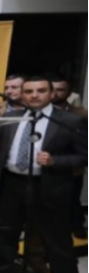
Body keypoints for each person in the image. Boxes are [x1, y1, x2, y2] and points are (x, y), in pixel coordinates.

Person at [0, 76, 87, 273]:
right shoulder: (11, 118)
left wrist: (55, 160)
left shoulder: (71, 120)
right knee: (5, 235)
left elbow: (83, 156)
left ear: (51, 93)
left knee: (57, 242)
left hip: (50, 186)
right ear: (22, 94)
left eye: (41, 90)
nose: (34, 95)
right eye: (29, 91)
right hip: (12, 184)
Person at [47, 74, 88, 240]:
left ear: (69, 92)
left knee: (72, 200)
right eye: (52, 89)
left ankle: (77, 226)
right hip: (45, 165)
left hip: (72, 167)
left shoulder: (81, 114)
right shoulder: (39, 112)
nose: (55, 94)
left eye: (60, 90)